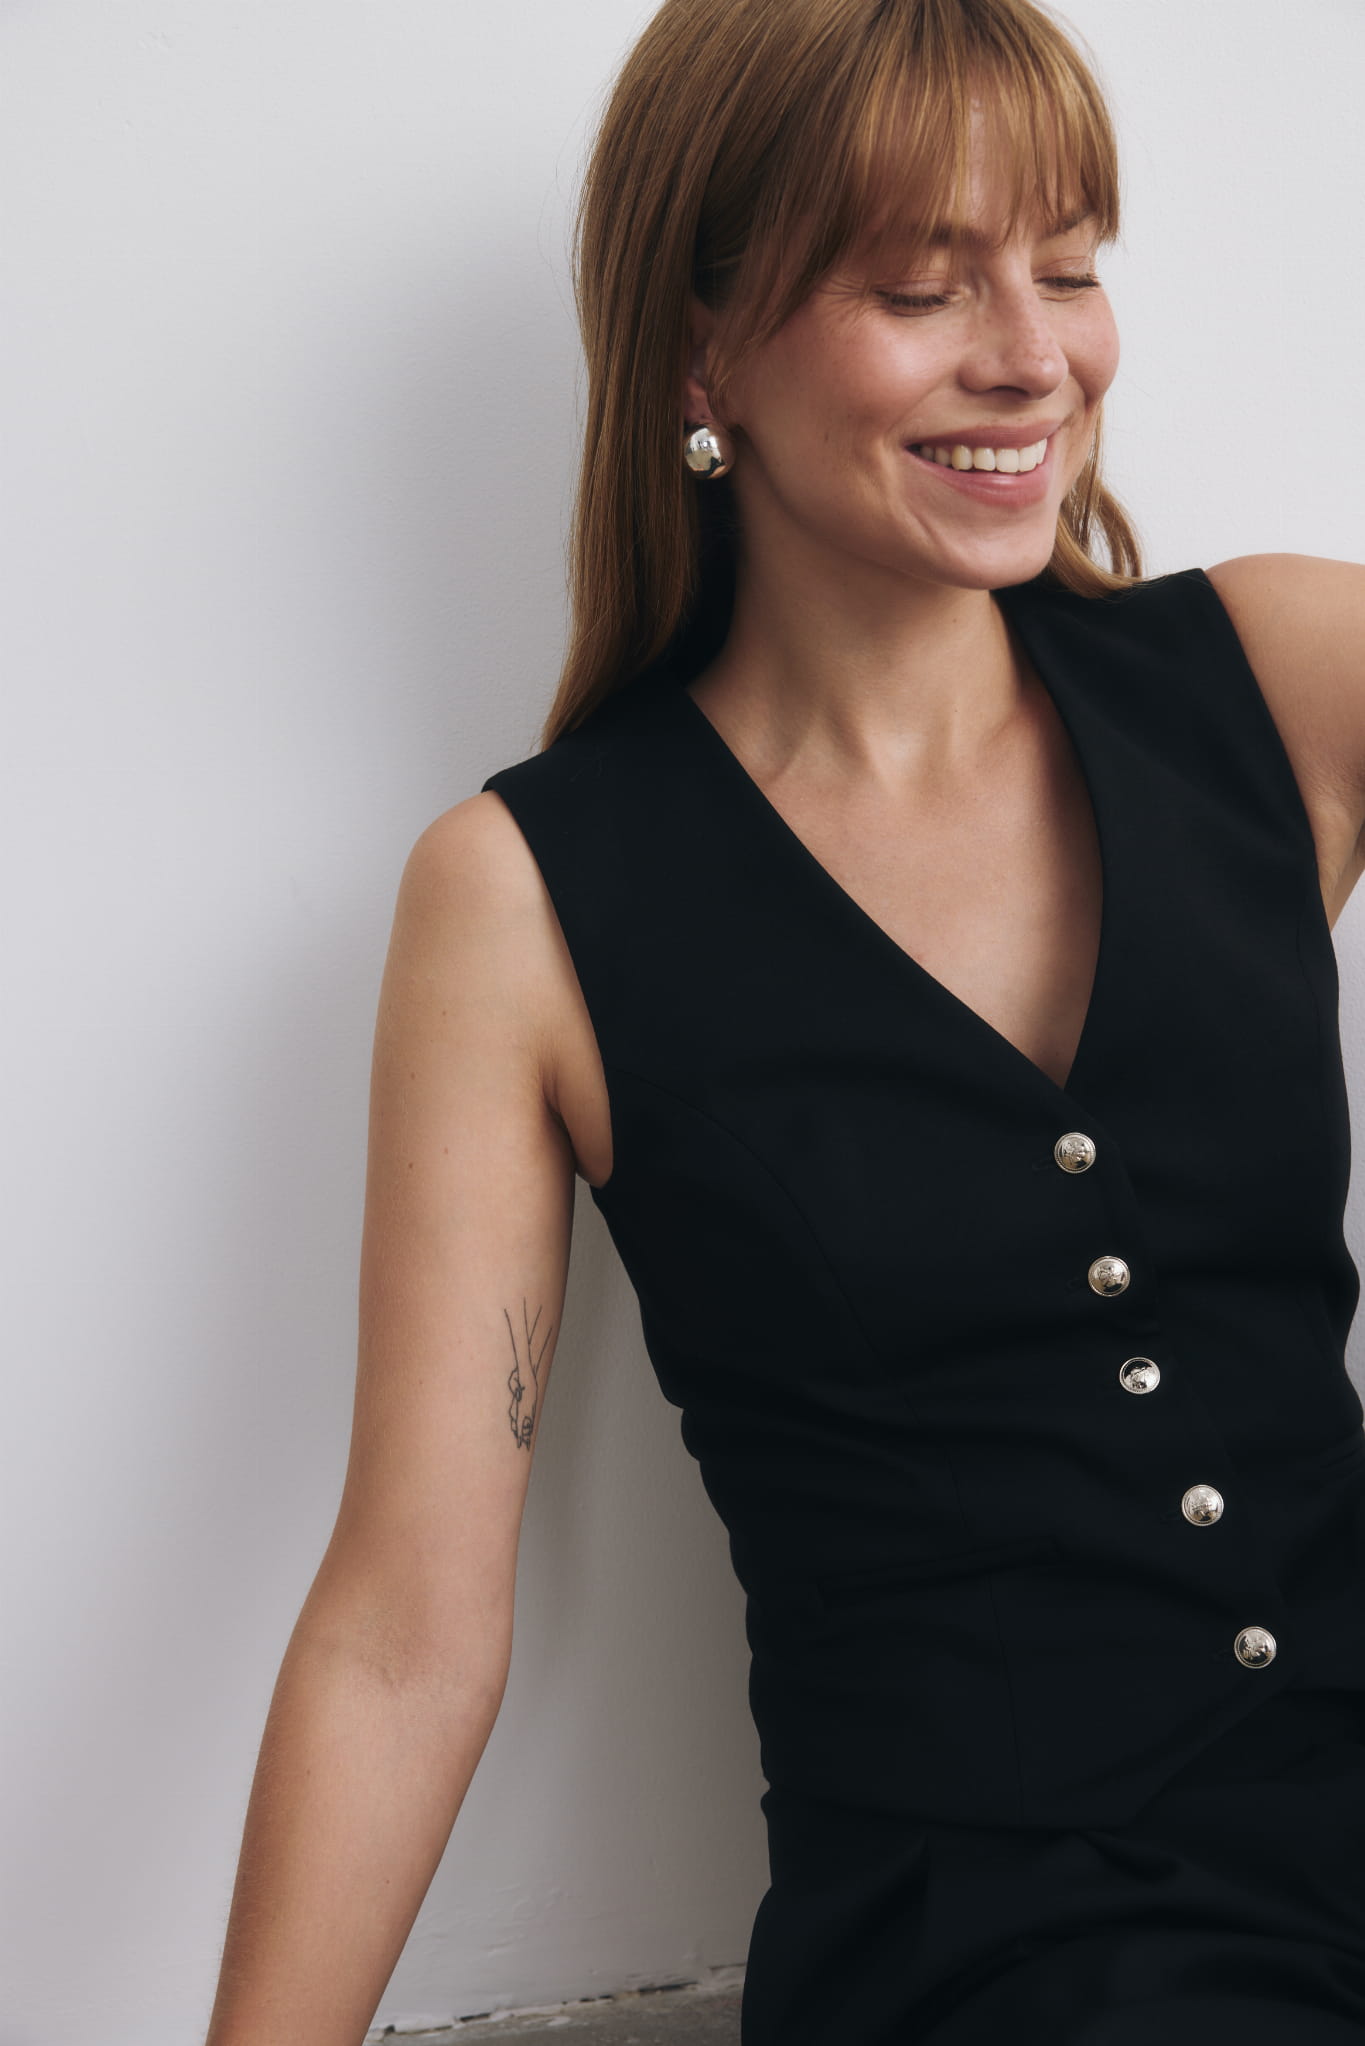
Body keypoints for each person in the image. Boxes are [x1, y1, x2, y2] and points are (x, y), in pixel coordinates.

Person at [205, 1, 1365, 2040]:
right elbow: (404, 1634)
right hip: (1003, 1953)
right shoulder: (522, 903)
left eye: (1067, 265)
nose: (1031, 355)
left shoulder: (1280, 673)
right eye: (922, 288)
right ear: (699, 353)